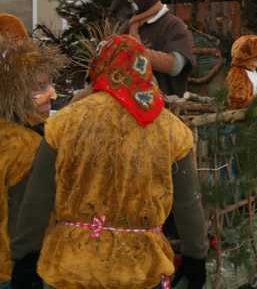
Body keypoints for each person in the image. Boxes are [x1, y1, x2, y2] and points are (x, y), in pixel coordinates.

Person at [11, 35, 208, 288]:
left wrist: (25, 258)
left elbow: (37, 198)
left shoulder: (64, 123)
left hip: (73, 267)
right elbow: (188, 203)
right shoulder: (171, 130)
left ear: (99, 66)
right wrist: (195, 257)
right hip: (140, 269)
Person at [0, 14, 64, 287]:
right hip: (18, 270)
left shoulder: (34, 135)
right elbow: (28, 217)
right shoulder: (24, 145)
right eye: (39, 88)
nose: (52, 94)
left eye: (50, 84)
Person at [110, 0, 195, 97]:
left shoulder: (173, 25)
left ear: (142, 0)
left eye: (131, 1)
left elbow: (176, 65)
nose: (129, 6)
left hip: (164, 101)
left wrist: (137, 51)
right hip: (126, 97)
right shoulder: (129, 26)